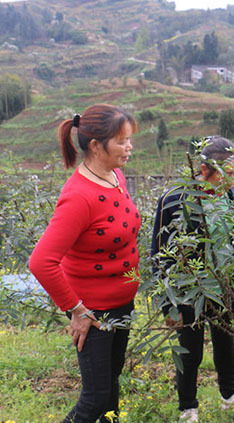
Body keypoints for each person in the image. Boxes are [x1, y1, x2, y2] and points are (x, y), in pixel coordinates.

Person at [29, 104, 140, 423]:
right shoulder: (78, 196)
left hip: (122, 303)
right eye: (121, 141)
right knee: (94, 399)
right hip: (94, 311)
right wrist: (76, 310)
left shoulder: (115, 174)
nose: (129, 147)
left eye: (129, 139)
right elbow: (41, 261)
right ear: (95, 145)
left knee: (111, 388)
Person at [150, 136, 234, 423]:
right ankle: (188, 407)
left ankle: (229, 395)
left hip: (225, 285)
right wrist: (167, 304)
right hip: (189, 289)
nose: (232, 180)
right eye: (227, 174)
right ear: (204, 171)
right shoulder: (174, 199)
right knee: (190, 348)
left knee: (225, 341)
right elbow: (159, 253)